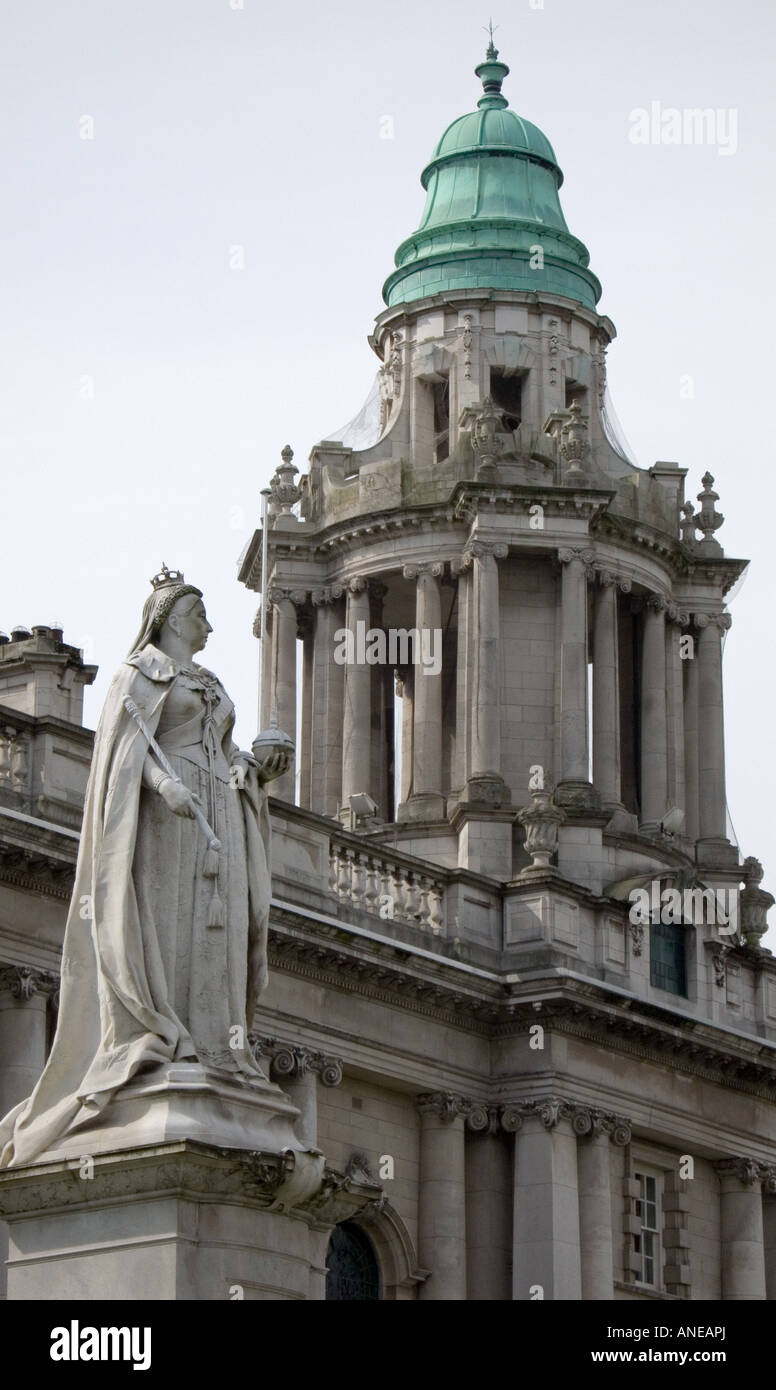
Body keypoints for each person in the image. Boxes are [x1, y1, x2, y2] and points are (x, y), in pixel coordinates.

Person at [0, 566, 291, 1168]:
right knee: (172, 921)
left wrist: (253, 769)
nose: (208, 623)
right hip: (170, 819)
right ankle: (165, 1032)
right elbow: (124, 753)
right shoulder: (140, 675)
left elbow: (225, 748)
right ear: (170, 618)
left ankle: (217, 1047)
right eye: (198, 613)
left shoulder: (207, 680)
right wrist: (163, 784)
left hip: (220, 814)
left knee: (222, 931)